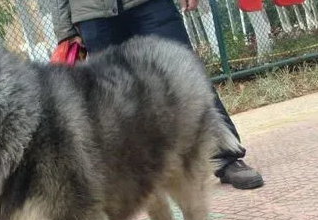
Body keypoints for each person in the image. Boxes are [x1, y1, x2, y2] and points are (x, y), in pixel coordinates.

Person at [52, 0, 264, 190]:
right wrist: (65, 30)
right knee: (118, 100)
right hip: (93, 14)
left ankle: (226, 158)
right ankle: (149, 178)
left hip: (151, 5)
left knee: (185, 76)